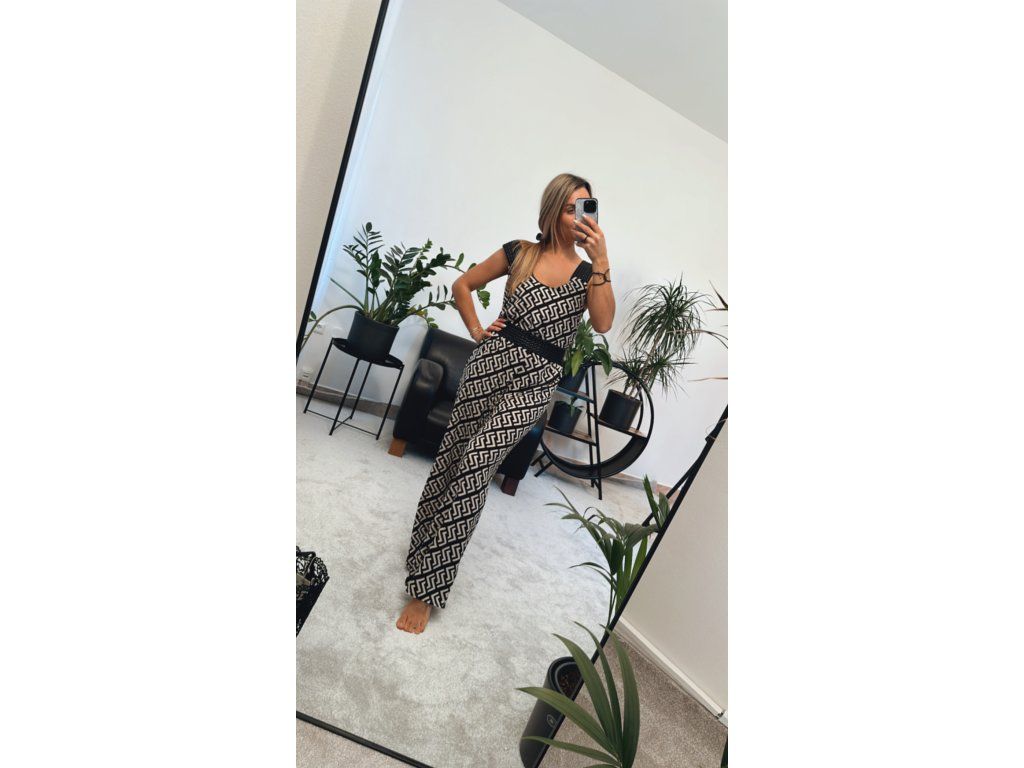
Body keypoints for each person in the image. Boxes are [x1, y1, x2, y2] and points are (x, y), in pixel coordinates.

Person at [397, 173, 616, 633]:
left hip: (535, 381)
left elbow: (602, 323)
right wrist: (477, 329)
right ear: (553, 210)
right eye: (570, 208)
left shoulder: (587, 273)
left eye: (586, 208)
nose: (579, 217)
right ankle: (421, 551)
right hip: (490, 364)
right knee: (452, 457)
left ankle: (427, 590)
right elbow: (463, 285)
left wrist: (601, 260)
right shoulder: (520, 251)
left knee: (477, 465)